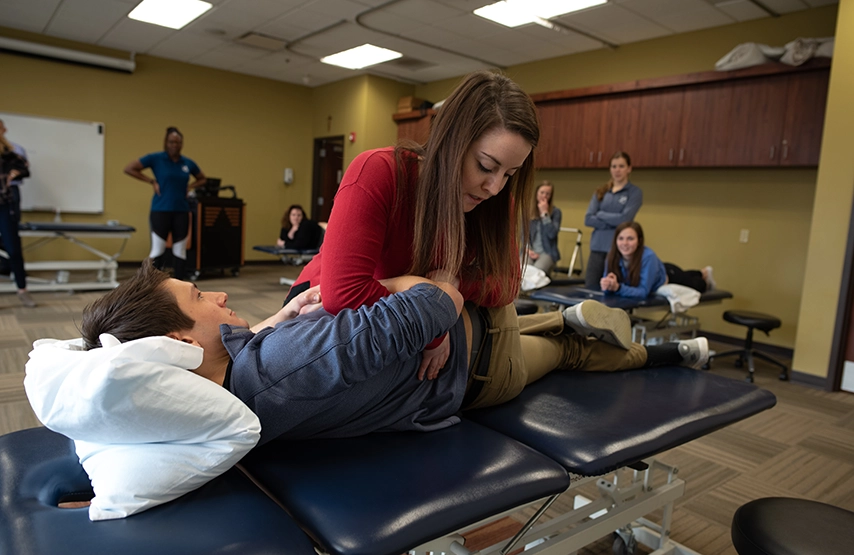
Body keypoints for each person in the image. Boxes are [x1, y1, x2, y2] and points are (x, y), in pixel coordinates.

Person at [80, 260, 710, 445]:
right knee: (569, 353)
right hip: (478, 369)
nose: (218, 293)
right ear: (180, 342)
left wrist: (281, 311)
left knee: (547, 326)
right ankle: (664, 352)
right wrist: (399, 282)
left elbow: (242, 354)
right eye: (200, 297)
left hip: (475, 346)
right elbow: (439, 302)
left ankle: (585, 322)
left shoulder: (212, 387)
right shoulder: (285, 367)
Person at [290, 70, 540, 381]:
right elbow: (344, 294)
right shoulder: (378, 172)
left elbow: (508, 284)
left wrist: (452, 285)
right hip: (318, 304)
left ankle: (568, 332)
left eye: (509, 174)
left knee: (505, 330)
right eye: (486, 166)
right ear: (451, 141)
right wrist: (433, 318)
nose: (494, 187)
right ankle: (568, 334)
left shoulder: (495, 202)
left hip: (393, 311)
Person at [124, 127, 206, 280]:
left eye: (178, 142)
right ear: (166, 143)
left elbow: (202, 178)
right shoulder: (156, 158)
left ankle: (180, 286)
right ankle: (150, 287)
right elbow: (129, 168)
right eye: (172, 142)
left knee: (180, 251)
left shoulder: (187, 163)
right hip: (160, 210)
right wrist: (151, 181)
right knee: (158, 251)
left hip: (181, 211)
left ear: (181, 144)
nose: (175, 145)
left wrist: (191, 187)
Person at [600, 221, 715, 298]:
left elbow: (643, 291)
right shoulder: (611, 256)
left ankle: (704, 276)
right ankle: (700, 272)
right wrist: (607, 284)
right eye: (621, 238)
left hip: (669, 276)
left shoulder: (649, 256)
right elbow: (608, 288)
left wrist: (618, 287)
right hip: (656, 269)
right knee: (688, 273)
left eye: (630, 239)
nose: (624, 243)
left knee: (698, 285)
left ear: (639, 241)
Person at [584, 151, 642, 289]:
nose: (617, 170)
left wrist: (601, 214)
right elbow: (588, 219)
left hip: (617, 250)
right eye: (614, 166)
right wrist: (613, 220)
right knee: (590, 288)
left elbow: (625, 219)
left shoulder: (634, 192)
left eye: (621, 166)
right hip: (597, 247)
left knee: (611, 290)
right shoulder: (601, 191)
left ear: (629, 168)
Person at [0, 119, 35, 307]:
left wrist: (15, 173)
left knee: (13, 248)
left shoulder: (9, 152)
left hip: (5, 204)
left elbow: (24, 169)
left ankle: (22, 290)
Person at [526, 181, 562, 275]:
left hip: (547, 252)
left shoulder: (556, 212)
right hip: (530, 251)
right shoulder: (528, 211)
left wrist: (545, 214)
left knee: (537, 270)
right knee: (524, 270)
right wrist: (528, 250)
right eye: (542, 192)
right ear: (537, 193)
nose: (544, 196)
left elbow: (552, 234)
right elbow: (524, 235)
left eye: (548, 194)